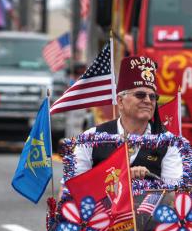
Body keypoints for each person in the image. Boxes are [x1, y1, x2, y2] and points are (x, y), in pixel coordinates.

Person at [73, 56, 183, 184]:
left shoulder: (168, 142)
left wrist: (149, 178)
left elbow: (174, 194)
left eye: (153, 97)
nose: (148, 101)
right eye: (140, 95)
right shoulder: (91, 137)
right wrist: (121, 176)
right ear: (120, 101)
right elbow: (73, 190)